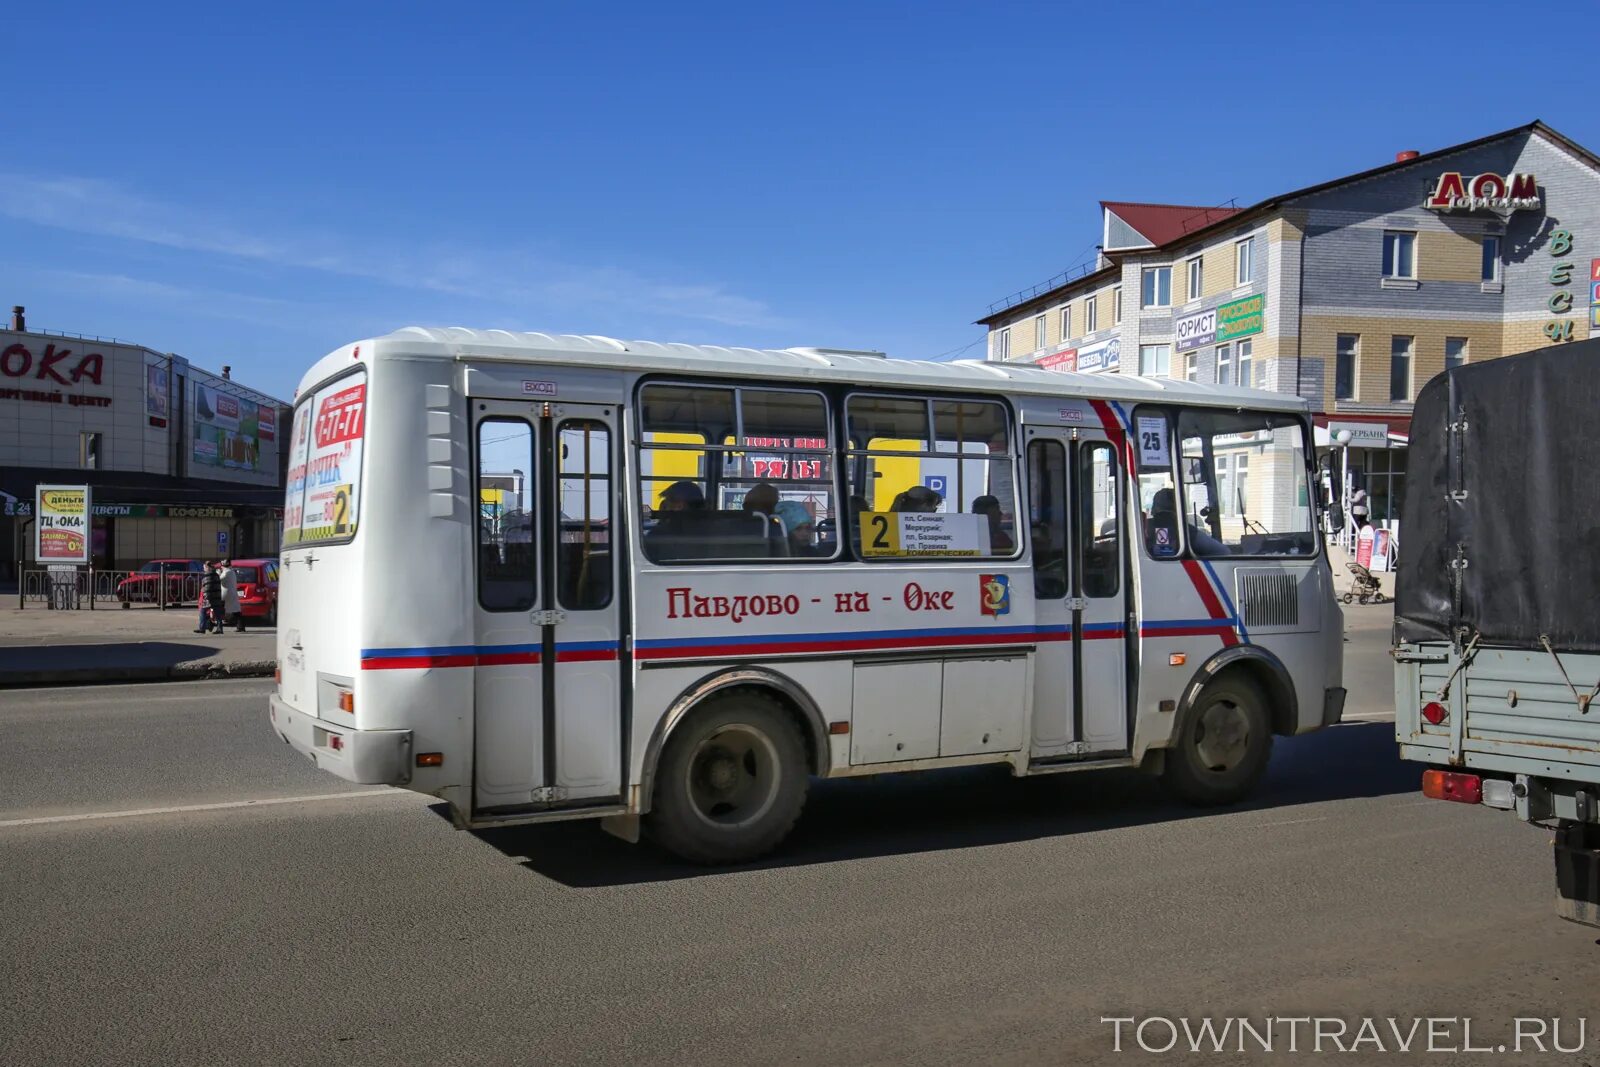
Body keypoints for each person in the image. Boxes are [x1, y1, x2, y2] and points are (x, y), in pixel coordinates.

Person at [218, 558, 244, 632]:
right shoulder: (231, 571)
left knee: (220, 609)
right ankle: (240, 626)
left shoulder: (227, 572)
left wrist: (218, 573)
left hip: (226, 594)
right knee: (236, 611)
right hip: (231, 593)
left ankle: (218, 625)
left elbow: (219, 579)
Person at [198, 561, 224, 634]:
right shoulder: (216, 574)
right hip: (217, 597)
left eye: (204, 567)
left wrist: (206, 597)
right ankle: (220, 628)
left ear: (207, 567)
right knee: (218, 614)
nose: (203, 569)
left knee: (202, 611)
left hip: (210, 598)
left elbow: (207, 588)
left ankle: (202, 628)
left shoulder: (208, 575)